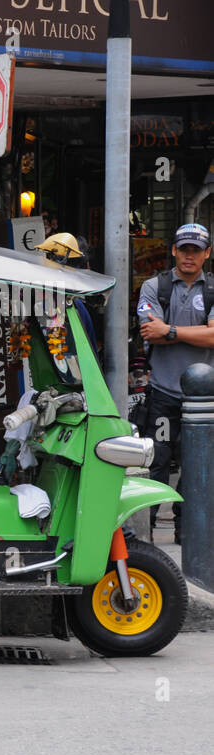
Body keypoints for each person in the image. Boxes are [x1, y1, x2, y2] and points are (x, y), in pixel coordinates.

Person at [136, 222, 214, 543]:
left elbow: (213, 337)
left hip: (204, 398)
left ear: (207, 254)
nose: (189, 256)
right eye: (184, 249)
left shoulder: (212, 290)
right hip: (164, 393)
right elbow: (147, 331)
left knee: (200, 467)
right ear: (173, 251)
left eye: (196, 250)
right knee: (156, 461)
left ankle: (190, 534)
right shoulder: (154, 287)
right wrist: (195, 335)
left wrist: (169, 331)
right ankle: (144, 537)